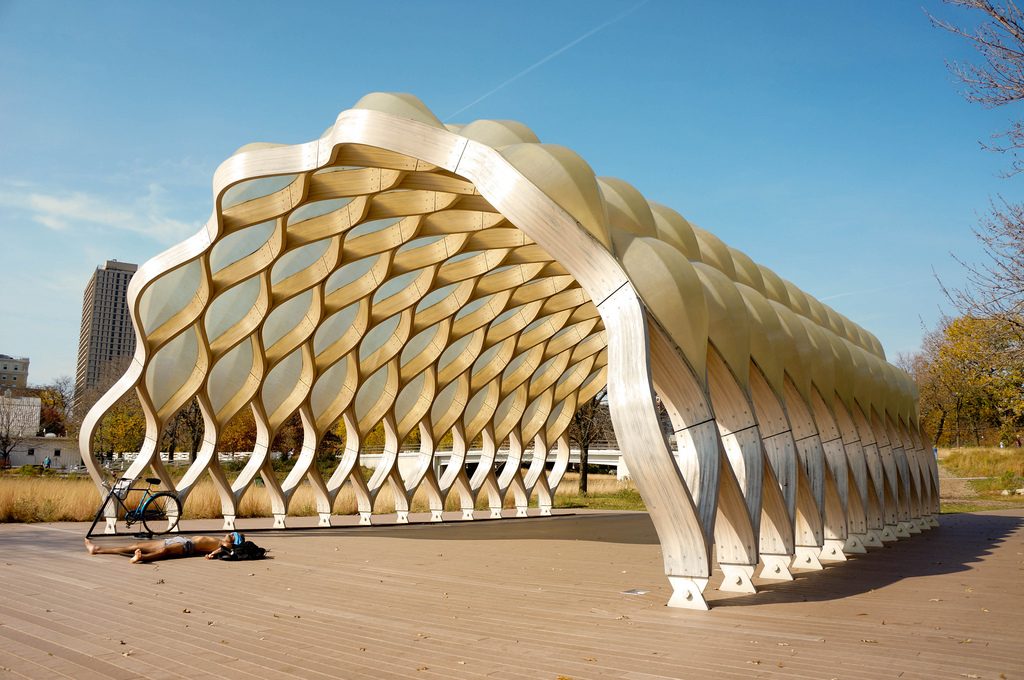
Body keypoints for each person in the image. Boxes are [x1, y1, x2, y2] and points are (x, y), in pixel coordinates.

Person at [84, 531, 250, 564]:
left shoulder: (225, 544)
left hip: (187, 546)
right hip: (180, 539)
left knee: (163, 552)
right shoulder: (221, 539)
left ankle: (142, 558)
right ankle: (97, 549)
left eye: (233, 535)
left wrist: (212, 554)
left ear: (234, 540)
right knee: (135, 544)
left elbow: (224, 550)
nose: (230, 533)